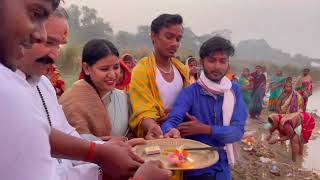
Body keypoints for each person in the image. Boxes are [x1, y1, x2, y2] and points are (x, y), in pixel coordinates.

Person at [15, 6, 171, 180]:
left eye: (58, 46)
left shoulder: (43, 84)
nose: (55, 55)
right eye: (48, 42)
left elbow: (66, 136)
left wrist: (103, 150)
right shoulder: (8, 90)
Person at [162, 36, 247, 180]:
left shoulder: (234, 91)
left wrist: (204, 129)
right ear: (202, 62)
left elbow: (237, 131)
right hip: (195, 168)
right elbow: (172, 119)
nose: (217, 66)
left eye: (222, 61)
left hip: (222, 168)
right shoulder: (190, 92)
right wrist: (171, 130)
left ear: (228, 63)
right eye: (212, 60)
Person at [129, 14, 189, 140]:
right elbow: (142, 110)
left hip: (179, 136)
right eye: (169, 37)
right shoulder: (142, 70)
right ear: (154, 36)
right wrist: (152, 126)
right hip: (156, 137)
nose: (174, 44)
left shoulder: (182, 70)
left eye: (178, 39)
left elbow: (187, 104)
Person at [60, 39, 132, 140]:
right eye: (104, 69)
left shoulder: (124, 97)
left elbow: (132, 133)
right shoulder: (72, 100)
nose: (112, 75)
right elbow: (74, 141)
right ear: (86, 68)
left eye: (116, 67)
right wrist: (105, 146)